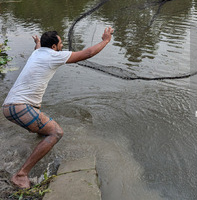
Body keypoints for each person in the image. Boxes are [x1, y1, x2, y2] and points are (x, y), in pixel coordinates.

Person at [2, 27, 114, 189]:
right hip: (20, 107)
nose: (62, 45)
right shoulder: (53, 56)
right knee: (56, 132)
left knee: (43, 132)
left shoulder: (37, 53)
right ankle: (21, 175)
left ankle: (33, 157)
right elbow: (88, 53)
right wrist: (105, 40)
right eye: (61, 43)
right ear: (54, 47)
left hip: (9, 107)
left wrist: (38, 43)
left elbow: (39, 49)